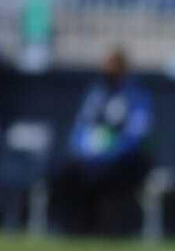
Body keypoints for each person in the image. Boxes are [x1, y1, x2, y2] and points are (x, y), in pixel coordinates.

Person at [53, 48, 153, 235]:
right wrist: (84, 151)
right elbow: (80, 128)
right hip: (90, 157)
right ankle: (72, 227)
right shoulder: (96, 94)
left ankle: (108, 228)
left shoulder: (136, 96)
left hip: (122, 158)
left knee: (109, 176)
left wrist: (108, 152)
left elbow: (135, 134)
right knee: (67, 172)